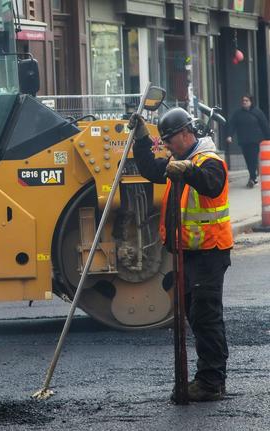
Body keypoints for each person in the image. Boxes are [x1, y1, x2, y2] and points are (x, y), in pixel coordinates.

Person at [130, 108, 232, 402]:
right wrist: (142, 139)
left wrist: (186, 171)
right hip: (189, 253)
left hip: (209, 253)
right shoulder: (180, 160)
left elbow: (211, 184)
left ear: (186, 134)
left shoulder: (209, 162)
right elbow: (150, 169)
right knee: (196, 315)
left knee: (205, 317)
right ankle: (212, 378)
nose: (167, 146)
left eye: (169, 140)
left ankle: (211, 382)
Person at [226, 94, 270, 188]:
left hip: (255, 140)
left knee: (253, 159)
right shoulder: (238, 113)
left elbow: (264, 124)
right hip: (244, 140)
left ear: (251, 102)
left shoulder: (257, 112)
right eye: (243, 101)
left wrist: (268, 138)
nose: (244, 102)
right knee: (248, 159)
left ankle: (252, 178)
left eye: (246, 101)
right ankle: (253, 177)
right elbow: (232, 124)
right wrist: (229, 135)